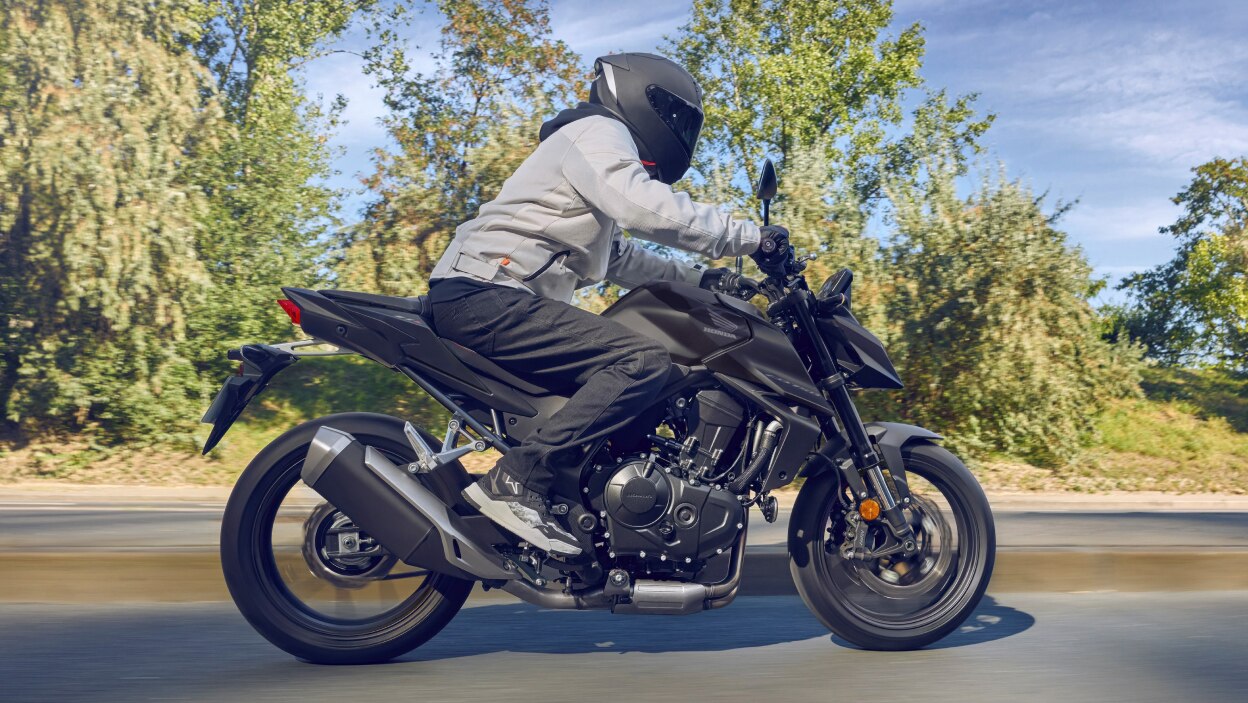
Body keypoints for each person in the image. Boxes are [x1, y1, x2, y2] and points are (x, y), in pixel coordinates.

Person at [427, 52, 790, 555]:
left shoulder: (588, 152)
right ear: (649, 101)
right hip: (484, 294)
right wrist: (749, 237)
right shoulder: (596, 131)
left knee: (656, 379)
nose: (683, 133)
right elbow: (641, 205)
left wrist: (707, 279)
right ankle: (518, 479)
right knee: (642, 361)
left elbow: (622, 257)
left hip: (494, 298)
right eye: (681, 119)